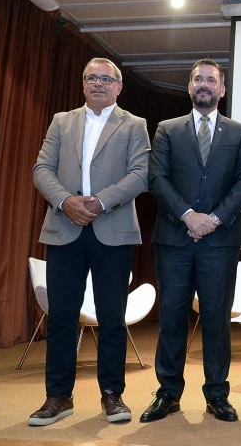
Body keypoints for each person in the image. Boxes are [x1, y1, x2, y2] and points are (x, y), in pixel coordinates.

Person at [30, 58, 150, 426]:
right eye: (91, 78)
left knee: (112, 318)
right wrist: (66, 201)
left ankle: (112, 395)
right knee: (63, 316)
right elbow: (41, 169)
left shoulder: (134, 125)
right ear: (83, 85)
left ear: (119, 86)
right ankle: (58, 397)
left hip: (111, 228)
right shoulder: (61, 121)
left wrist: (100, 201)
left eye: (105, 78)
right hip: (64, 226)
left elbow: (141, 174)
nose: (98, 83)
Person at [141, 59, 241, 423]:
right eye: (197, 79)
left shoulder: (240, 132)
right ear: (189, 87)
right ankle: (168, 394)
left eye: (211, 79)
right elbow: (156, 178)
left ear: (222, 89)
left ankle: (217, 395)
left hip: (219, 242)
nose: (204, 84)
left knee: (216, 320)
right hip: (175, 239)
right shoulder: (167, 129)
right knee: (172, 318)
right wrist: (189, 216)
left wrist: (214, 219)